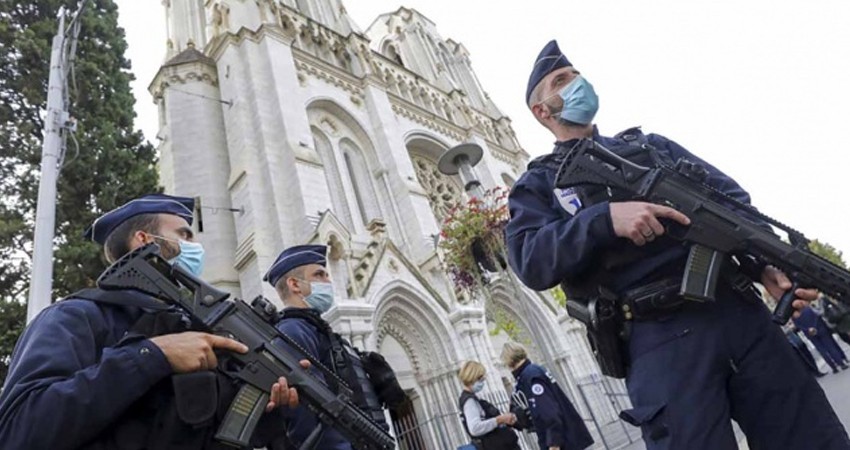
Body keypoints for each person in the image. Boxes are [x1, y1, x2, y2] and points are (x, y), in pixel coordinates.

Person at [505, 39, 850, 449]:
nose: (578, 83)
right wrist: (604, 220)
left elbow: (733, 204)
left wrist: (764, 266)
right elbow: (530, 259)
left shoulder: (651, 147)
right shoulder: (540, 183)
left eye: (577, 75)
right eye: (562, 80)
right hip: (657, 338)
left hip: (740, 313)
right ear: (542, 111)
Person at [0, 194, 300, 450]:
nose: (196, 246)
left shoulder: (193, 330)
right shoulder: (76, 316)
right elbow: (19, 430)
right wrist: (152, 355)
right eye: (185, 235)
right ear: (145, 240)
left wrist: (271, 407)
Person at [265, 244, 404, 449]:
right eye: (319, 275)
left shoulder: (318, 331)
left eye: (327, 275)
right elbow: (308, 412)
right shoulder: (293, 331)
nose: (328, 281)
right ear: (294, 284)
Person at [500, 342, 592, 450]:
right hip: (565, 434)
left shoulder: (530, 376)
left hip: (562, 439)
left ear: (509, 361)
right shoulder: (533, 371)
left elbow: (548, 410)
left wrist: (554, 443)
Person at [456, 360, 520, 450]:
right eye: (480, 379)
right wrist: (499, 420)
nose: (483, 382)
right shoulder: (469, 401)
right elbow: (475, 428)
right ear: (472, 377)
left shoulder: (473, 399)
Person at [793, 306, 849, 373]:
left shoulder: (794, 317)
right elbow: (817, 316)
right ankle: (841, 363)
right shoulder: (808, 309)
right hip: (820, 328)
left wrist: (807, 329)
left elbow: (798, 326)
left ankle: (833, 367)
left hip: (810, 334)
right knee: (830, 346)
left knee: (821, 350)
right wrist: (814, 326)